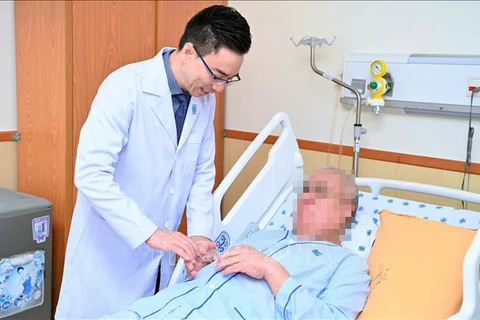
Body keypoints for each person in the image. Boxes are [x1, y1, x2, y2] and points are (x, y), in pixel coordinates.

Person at [55, 5, 252, 319]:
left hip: (158, 262)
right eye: (217, 76)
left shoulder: (204, 100)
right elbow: (91, 174)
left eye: (228, 79)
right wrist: (150, 232)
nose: (218, 87)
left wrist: (200, 234)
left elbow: (201, 175)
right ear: (189, 51)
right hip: (107, 256)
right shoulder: (125, 87)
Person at [102, 167, 371, 319]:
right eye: (305, 191)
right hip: (156, 311)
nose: (306, 198)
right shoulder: (264, 235)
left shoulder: (348, 265)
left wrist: (270, 269)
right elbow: (219, 281)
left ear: (346, 209)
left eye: (320, 193)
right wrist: (206, 264)